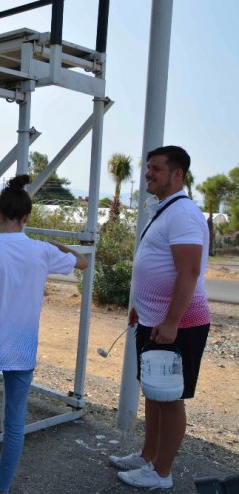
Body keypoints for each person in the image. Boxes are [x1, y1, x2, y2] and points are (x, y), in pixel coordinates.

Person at [0, 175, 88, 494]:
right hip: (22, 350)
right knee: (14, 423)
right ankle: (0, 487)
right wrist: (55, 245)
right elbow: (81, 262)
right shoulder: (41, 252)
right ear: (27, 218)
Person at [111, 145, 210, 490]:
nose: (148, 174)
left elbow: (189, 271)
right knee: (153, 392)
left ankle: (161, 473)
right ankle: (146, 457)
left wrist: (170, 322)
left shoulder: (182, 213)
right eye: (148, 168)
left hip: (179, 323)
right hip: (155, 320)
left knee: (169, 398)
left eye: (156, 168)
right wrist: (142, 306)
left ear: (177, 174)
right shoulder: (166, 210)